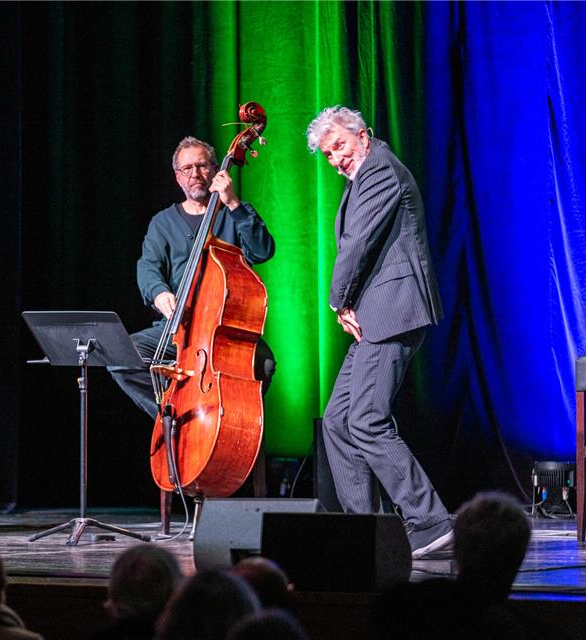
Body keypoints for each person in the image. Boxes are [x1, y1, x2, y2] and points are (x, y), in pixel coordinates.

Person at [306, 106, 450, 559]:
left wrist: (338, 301)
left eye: (340, 146)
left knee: (367, 419)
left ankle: (430, 521)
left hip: (394, 310)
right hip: (375, 315)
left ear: (363, 135)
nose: (336, 159)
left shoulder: (380, 169)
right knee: (337, 421)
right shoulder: (363, 176)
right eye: (329, 154)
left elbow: (358, 244)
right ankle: (365, 530)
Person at [110, 136, 277, 421]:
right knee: (120, 356)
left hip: (224, 329)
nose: (195, 174)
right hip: (177, 328)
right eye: (187, 169)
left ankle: (227, 423)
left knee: (264, 364)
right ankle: (173, 417)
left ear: (216, 170)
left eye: (201, 166)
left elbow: (262, 251)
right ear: (178, 177)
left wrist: (233, 203)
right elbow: (148, 267)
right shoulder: (162, 223)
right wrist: (159, 292)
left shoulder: (235, 213)